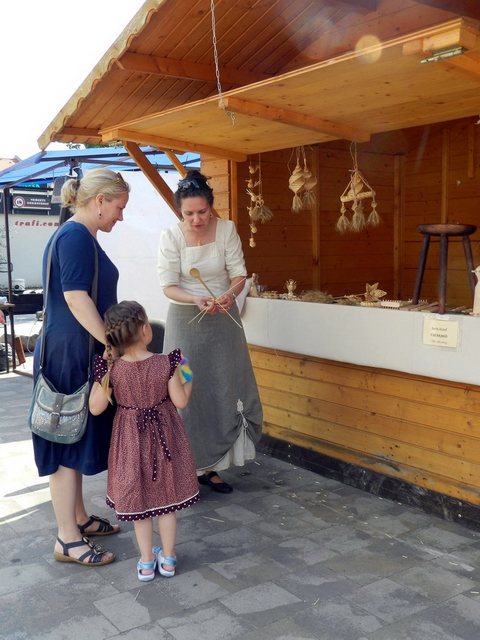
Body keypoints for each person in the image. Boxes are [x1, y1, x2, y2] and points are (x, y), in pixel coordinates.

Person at [33, 168, 130, 566]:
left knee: (72, 435)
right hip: (70, 352)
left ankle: (78, 518)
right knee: (64, 437)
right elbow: (75, 298)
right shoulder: (75, 236)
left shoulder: (78, 234)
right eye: (119, 207)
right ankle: (67, 539)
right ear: (100, 201)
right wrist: (111, 342)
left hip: (72, 348)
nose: (121, 216)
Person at [157, 170, 263, 493]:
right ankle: (184, 468)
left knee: (222, 387)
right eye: (188, 214)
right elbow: (168, 285)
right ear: (180, 211)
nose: (196, 219)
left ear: (210, 206)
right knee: (187, 390)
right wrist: (194, 298)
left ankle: (212, 468)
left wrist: (229, 295)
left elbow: (239, 274)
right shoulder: (171, 236)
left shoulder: (227, 229)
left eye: (202, 212)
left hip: (222, 320)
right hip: (186, 321)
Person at [89, 300, 199, 581]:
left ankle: (147, 562)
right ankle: (169, 560)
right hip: (165, 440)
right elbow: (181, 402)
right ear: (145, 330)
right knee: (167, 499)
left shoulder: (112, 369)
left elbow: (95, 408)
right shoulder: (167, 363)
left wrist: (102, 371)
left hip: (130, 442)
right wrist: (188, 375)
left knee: (139, 505)